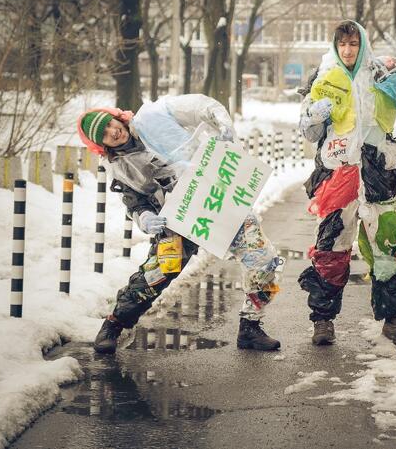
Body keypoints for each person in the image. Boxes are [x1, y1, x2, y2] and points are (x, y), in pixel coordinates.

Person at [77, 93, 282, 354]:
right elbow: (135, 203)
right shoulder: (120, 168)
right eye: (104, 134)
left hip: (221, 200)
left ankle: (250, 327)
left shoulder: (153, 116)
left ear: (117, 117)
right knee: (157, 272)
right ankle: (114, 325)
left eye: (110, 124)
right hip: (177, 220)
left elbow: (200, 107)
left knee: (264, 260)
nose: (113, 132)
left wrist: (223, 125)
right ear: (101, 145)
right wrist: (145, 218)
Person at [297, 20, 396, 348]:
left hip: (379, 171)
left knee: (387, 243)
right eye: (342, 45)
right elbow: (307, 132)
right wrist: (314, 117)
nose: (348, 50)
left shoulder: (378, 73)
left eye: (353, 44)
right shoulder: (321, 78)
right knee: (332, 245)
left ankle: (394, 321)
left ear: (362, 44)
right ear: (335, 47)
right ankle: (322, 320)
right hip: (338, 173)